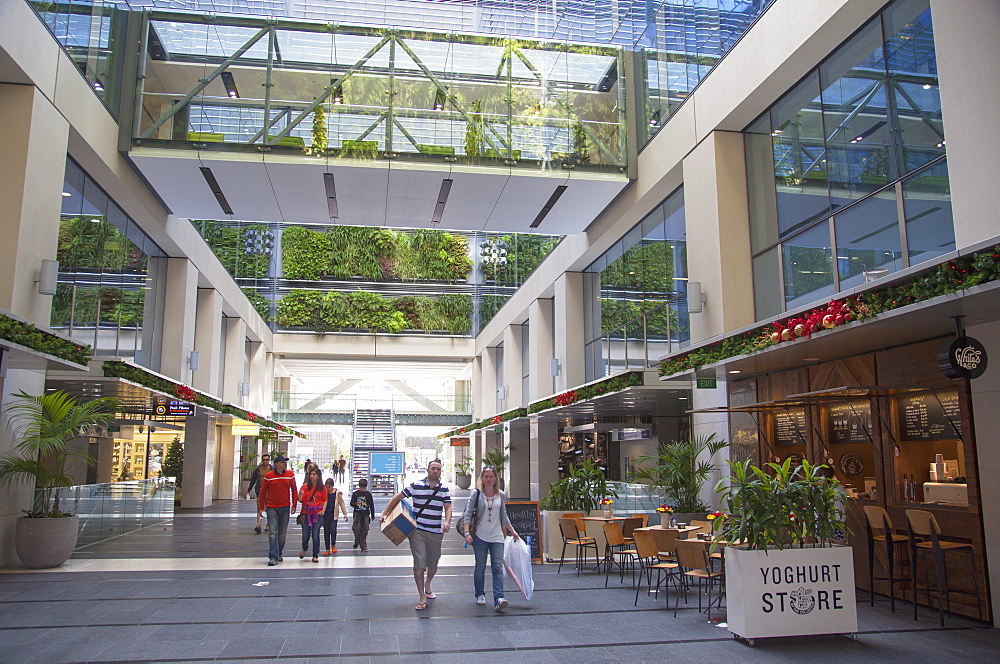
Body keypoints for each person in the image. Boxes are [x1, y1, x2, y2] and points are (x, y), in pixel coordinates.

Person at [380, 458, 452, 611]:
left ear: (441, 472)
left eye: (438, 469)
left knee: (433, 564)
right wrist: (385, 513)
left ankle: (428, 583)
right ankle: (422, 596)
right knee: (419, 563)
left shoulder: (444, 489)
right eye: (433, 468)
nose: (435, 471)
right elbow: (397, 498)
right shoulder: (416, 485)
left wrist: (447, 521)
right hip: (418, 531)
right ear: (427, 470)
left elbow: (448, 508)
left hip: (436, 532)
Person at [461, 465, 519, 611]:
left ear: (495, 479)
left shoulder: (501, 494)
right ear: (482, 478)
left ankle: (499, 598)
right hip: (480, 536)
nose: (488, 479)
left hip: (497, 536)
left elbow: (504, 516)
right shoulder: (476, 494)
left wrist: (513, 531)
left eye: (491, 477)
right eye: (486, 477)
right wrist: (467, 533)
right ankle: (480, 594)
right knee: (480, 567)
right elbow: (468, 514)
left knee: (497, 567)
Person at [257, 455, 298, 566]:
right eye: (282, 462)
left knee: (282, 533)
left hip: (285, 507)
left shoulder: (290, 475)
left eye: (284, 462)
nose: (284, 464)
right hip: (272, 507)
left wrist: (294, 504)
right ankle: (273, 556)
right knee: (273, 532)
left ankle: (279, 552)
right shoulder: (269, 476)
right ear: (276, 464)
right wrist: (261, 507)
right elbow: (263, 492)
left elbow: (294, 490)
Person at [298, 467, 327, 562]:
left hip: (317, 513)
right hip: (306, 513)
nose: (312, 476)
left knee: (315, 534)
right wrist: (300, 495)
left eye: (314, 474)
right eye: (310, 474)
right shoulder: (305, 486)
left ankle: (315, 555)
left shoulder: (322, 488)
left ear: (318, 476)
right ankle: (304, 548)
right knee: (305, 535)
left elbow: (325, 500)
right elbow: (300, 500)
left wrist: (323, 510)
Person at [322, 477, 348, 555]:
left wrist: (345, 514)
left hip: (333, 515)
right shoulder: (324, 492)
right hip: (325, 515)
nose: (328, 489)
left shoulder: (337, 493)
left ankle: (333, 545)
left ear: (332, 486)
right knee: (326, 531)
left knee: (333, 530)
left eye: (329, 487)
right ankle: (327, 548)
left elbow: (341, 503)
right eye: (326, 487)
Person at [349, 478, 376, 552]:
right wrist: (355, 504)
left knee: (365, 529)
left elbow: (371, 504)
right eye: (361, 487)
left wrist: (373, 514)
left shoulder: (368, 494)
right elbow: (351, 503)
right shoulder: (355, 494)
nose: (362, 489)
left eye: (363, 488)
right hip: (357, 513)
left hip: (365, 514)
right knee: (356, 528)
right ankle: (357, 540)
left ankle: (363, 544)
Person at [249, 461, 272, 534]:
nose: (265, 461)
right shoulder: (258, 469)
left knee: (269, 508)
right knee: (260, 508)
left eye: (267, 459)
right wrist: (249, 489)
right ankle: (258, 525)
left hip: (269, 492)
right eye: (264, 459)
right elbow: (253, 479)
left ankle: (268, 524)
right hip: (260, 491)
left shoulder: (272, 469)